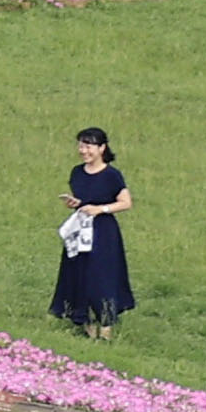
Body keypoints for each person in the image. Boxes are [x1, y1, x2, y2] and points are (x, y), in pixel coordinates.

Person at [50, 126, 135, 338]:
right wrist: (75, 203)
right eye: (81, 145)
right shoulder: (77, 172)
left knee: (102, 276)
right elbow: (84, 199)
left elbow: (125, 203)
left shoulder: (112, 175)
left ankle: (106, 328)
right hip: (81, 230)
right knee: (80, 273)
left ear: (101, 148)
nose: (83, 150)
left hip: (103, 232)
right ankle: (86, 325)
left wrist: (100, 209)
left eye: (88, 146)